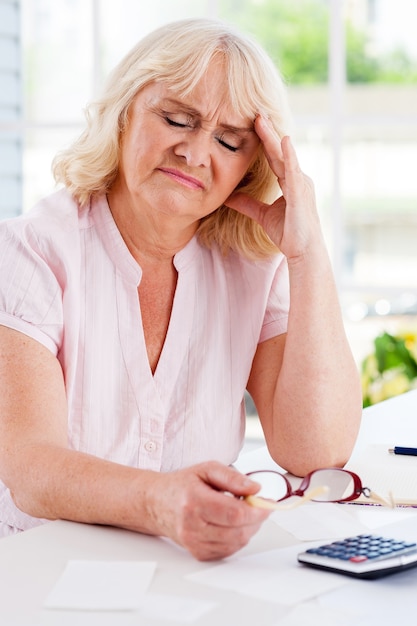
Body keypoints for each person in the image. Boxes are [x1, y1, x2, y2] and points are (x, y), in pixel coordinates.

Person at [0, 18, 362, 561]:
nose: (195, 153)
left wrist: (307, 256)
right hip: (37, 573)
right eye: (176, 119)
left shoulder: (253, 267)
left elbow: (316, 453)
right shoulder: (31, 250)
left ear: (249, 167)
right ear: (124, 114)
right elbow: (31, 467)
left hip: (184, 576)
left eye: (228, 141)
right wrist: (160, 503)